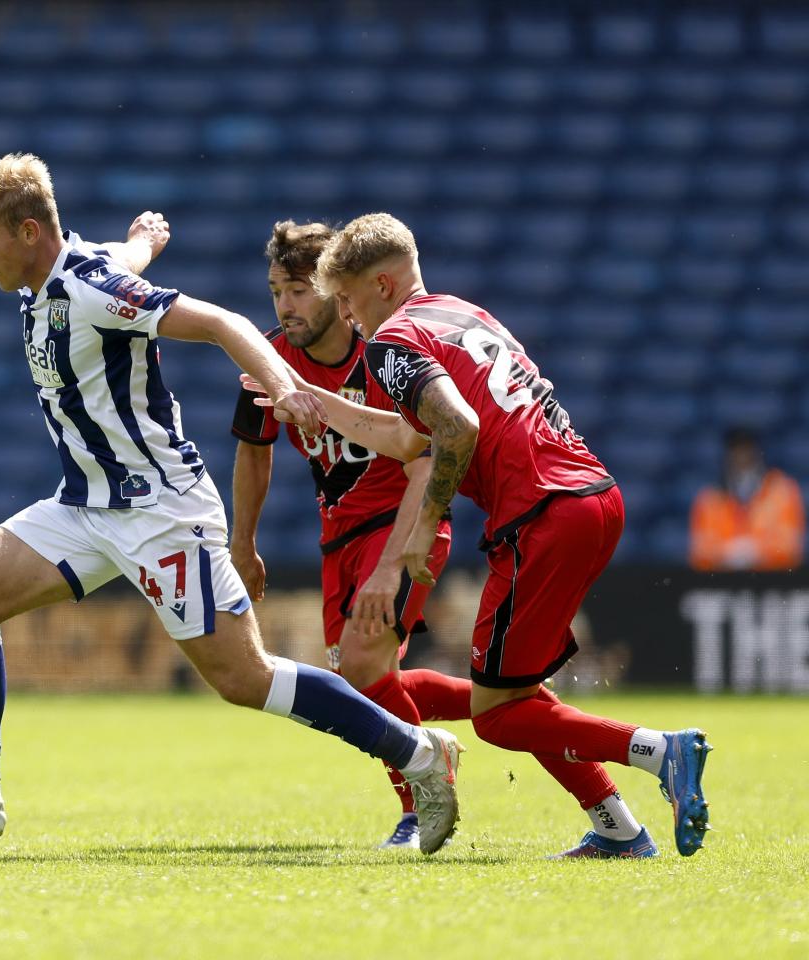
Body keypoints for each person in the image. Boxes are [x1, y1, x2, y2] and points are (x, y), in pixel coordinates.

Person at [0, 155, 465, 856]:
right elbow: (117, 258)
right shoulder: (65, 273)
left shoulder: (93, 289)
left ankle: (419, 754)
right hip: (85, 506)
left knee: (244, 678)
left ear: (29, 232)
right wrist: (144, 242)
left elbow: (220, 321)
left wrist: (283, 386)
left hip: (160, 513)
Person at [251, 211, 712, 858]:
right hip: (593, 497)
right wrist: (308, 395)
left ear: (381, 285)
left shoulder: (392, 341)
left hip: (539, 515)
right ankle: (617, 828)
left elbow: (458, 427)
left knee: (496, 716)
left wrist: (420, 528)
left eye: (349, 298)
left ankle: (661, 751)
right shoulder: (462, 314)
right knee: (511, 694)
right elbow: (406, 436)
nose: (348, 315)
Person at [231, 221, 473, 850]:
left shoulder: (384, 353)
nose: (285, 306)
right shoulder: (269, 361)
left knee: (363, 667)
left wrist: (393, 562)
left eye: (298, 291)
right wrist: (243, 543)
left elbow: (425, 455)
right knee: (366, 679)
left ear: (337, 294)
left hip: (400, 524)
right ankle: (502, 700)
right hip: (337, 536)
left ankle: (419, 804)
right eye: (276, 292)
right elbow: (254, 451)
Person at [689, 426, 804, 571]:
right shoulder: (710, 498)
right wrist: (728, 553)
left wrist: (756, 551)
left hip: (773, 578)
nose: (741, 457)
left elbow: (790, 546)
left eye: (747, 450)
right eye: (735, 451)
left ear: (758, 452)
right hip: (723, 578)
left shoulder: (782, 492)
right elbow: (700, 551)